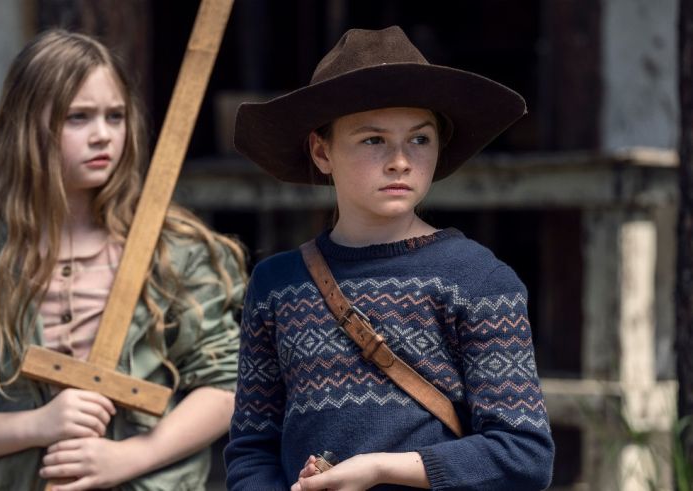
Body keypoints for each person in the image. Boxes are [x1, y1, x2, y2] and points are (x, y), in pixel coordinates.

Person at [0, 29, 246, 491]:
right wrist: (38, 425)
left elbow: (226, 386)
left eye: (115, 116)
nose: (103, 136)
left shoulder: (174, 251)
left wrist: (129, 457)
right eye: (78, 117)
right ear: (27, 125)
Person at [224, 26, 554, 490]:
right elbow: (251, 448)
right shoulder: (277, 284)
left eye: (419, 139)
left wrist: (379, 468)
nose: (400, 160)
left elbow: (524, 454)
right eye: (372, 140)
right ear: (322, 151)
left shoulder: (479, 279)